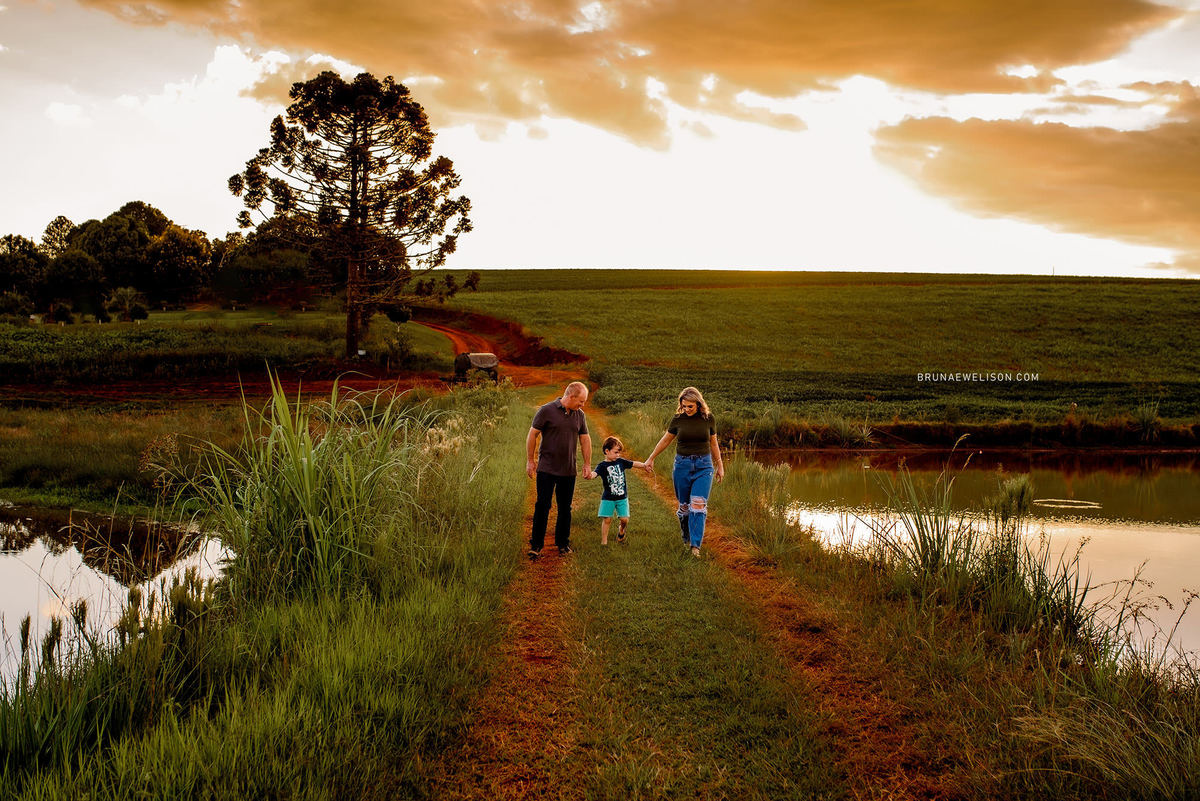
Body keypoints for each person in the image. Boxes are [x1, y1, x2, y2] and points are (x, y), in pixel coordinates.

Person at [644, 386, 725, 558]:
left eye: (690, 406)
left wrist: (720, 465)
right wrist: (651, 458)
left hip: (704, 466)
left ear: (698, 404)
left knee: (698, 505)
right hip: (682, 466)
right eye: (684, 406)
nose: (687, 409)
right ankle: (686, 536)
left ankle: (695, 547)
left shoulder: (708, 418)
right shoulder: (678, 419)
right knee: (685, 507)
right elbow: (665, 440)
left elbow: (713, 443)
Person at [526, 381, 594, 559]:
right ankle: (536, 545)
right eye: (581, 401)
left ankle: (563, 544)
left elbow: (585, 439)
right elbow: (532, 434)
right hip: (546, 469)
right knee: (543, 506)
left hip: (568, 470)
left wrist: (587, 464)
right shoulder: (546, 410)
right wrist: (530, 460)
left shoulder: (580, 415)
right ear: (571, 396)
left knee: (565, 508)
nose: (582, 405)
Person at [594, 436, 650, 546]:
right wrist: (589, 475)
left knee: (624, 519)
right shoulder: (602, 466)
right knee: (607, 519)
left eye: (619, 452)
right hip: (608, 498)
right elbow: (594, 474)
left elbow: (633, 463)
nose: (618, 455)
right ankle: (604, 542)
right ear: (607, 451)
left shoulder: (621, 462)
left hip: (622, 498)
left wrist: (644, 465)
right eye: (616, 452)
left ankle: (621, 530)